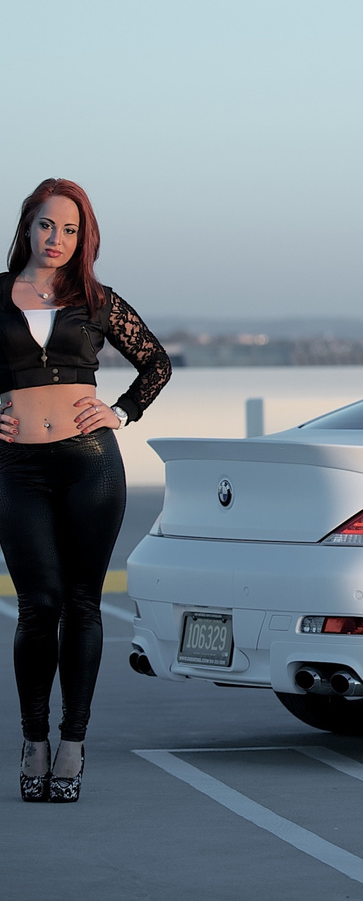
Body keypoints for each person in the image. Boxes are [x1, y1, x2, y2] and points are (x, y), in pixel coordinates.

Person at [0, 178, 171, 802]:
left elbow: (157, 364)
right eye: (48, 226)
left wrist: (120, 413)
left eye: (71, 230)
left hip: (90, 465)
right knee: (38, 606)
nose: (57, 240)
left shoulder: (97, 300)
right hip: (16, 467)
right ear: (27, 226)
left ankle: (72, 743)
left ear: (84, 239)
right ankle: (34, 739)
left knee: (82, 604)